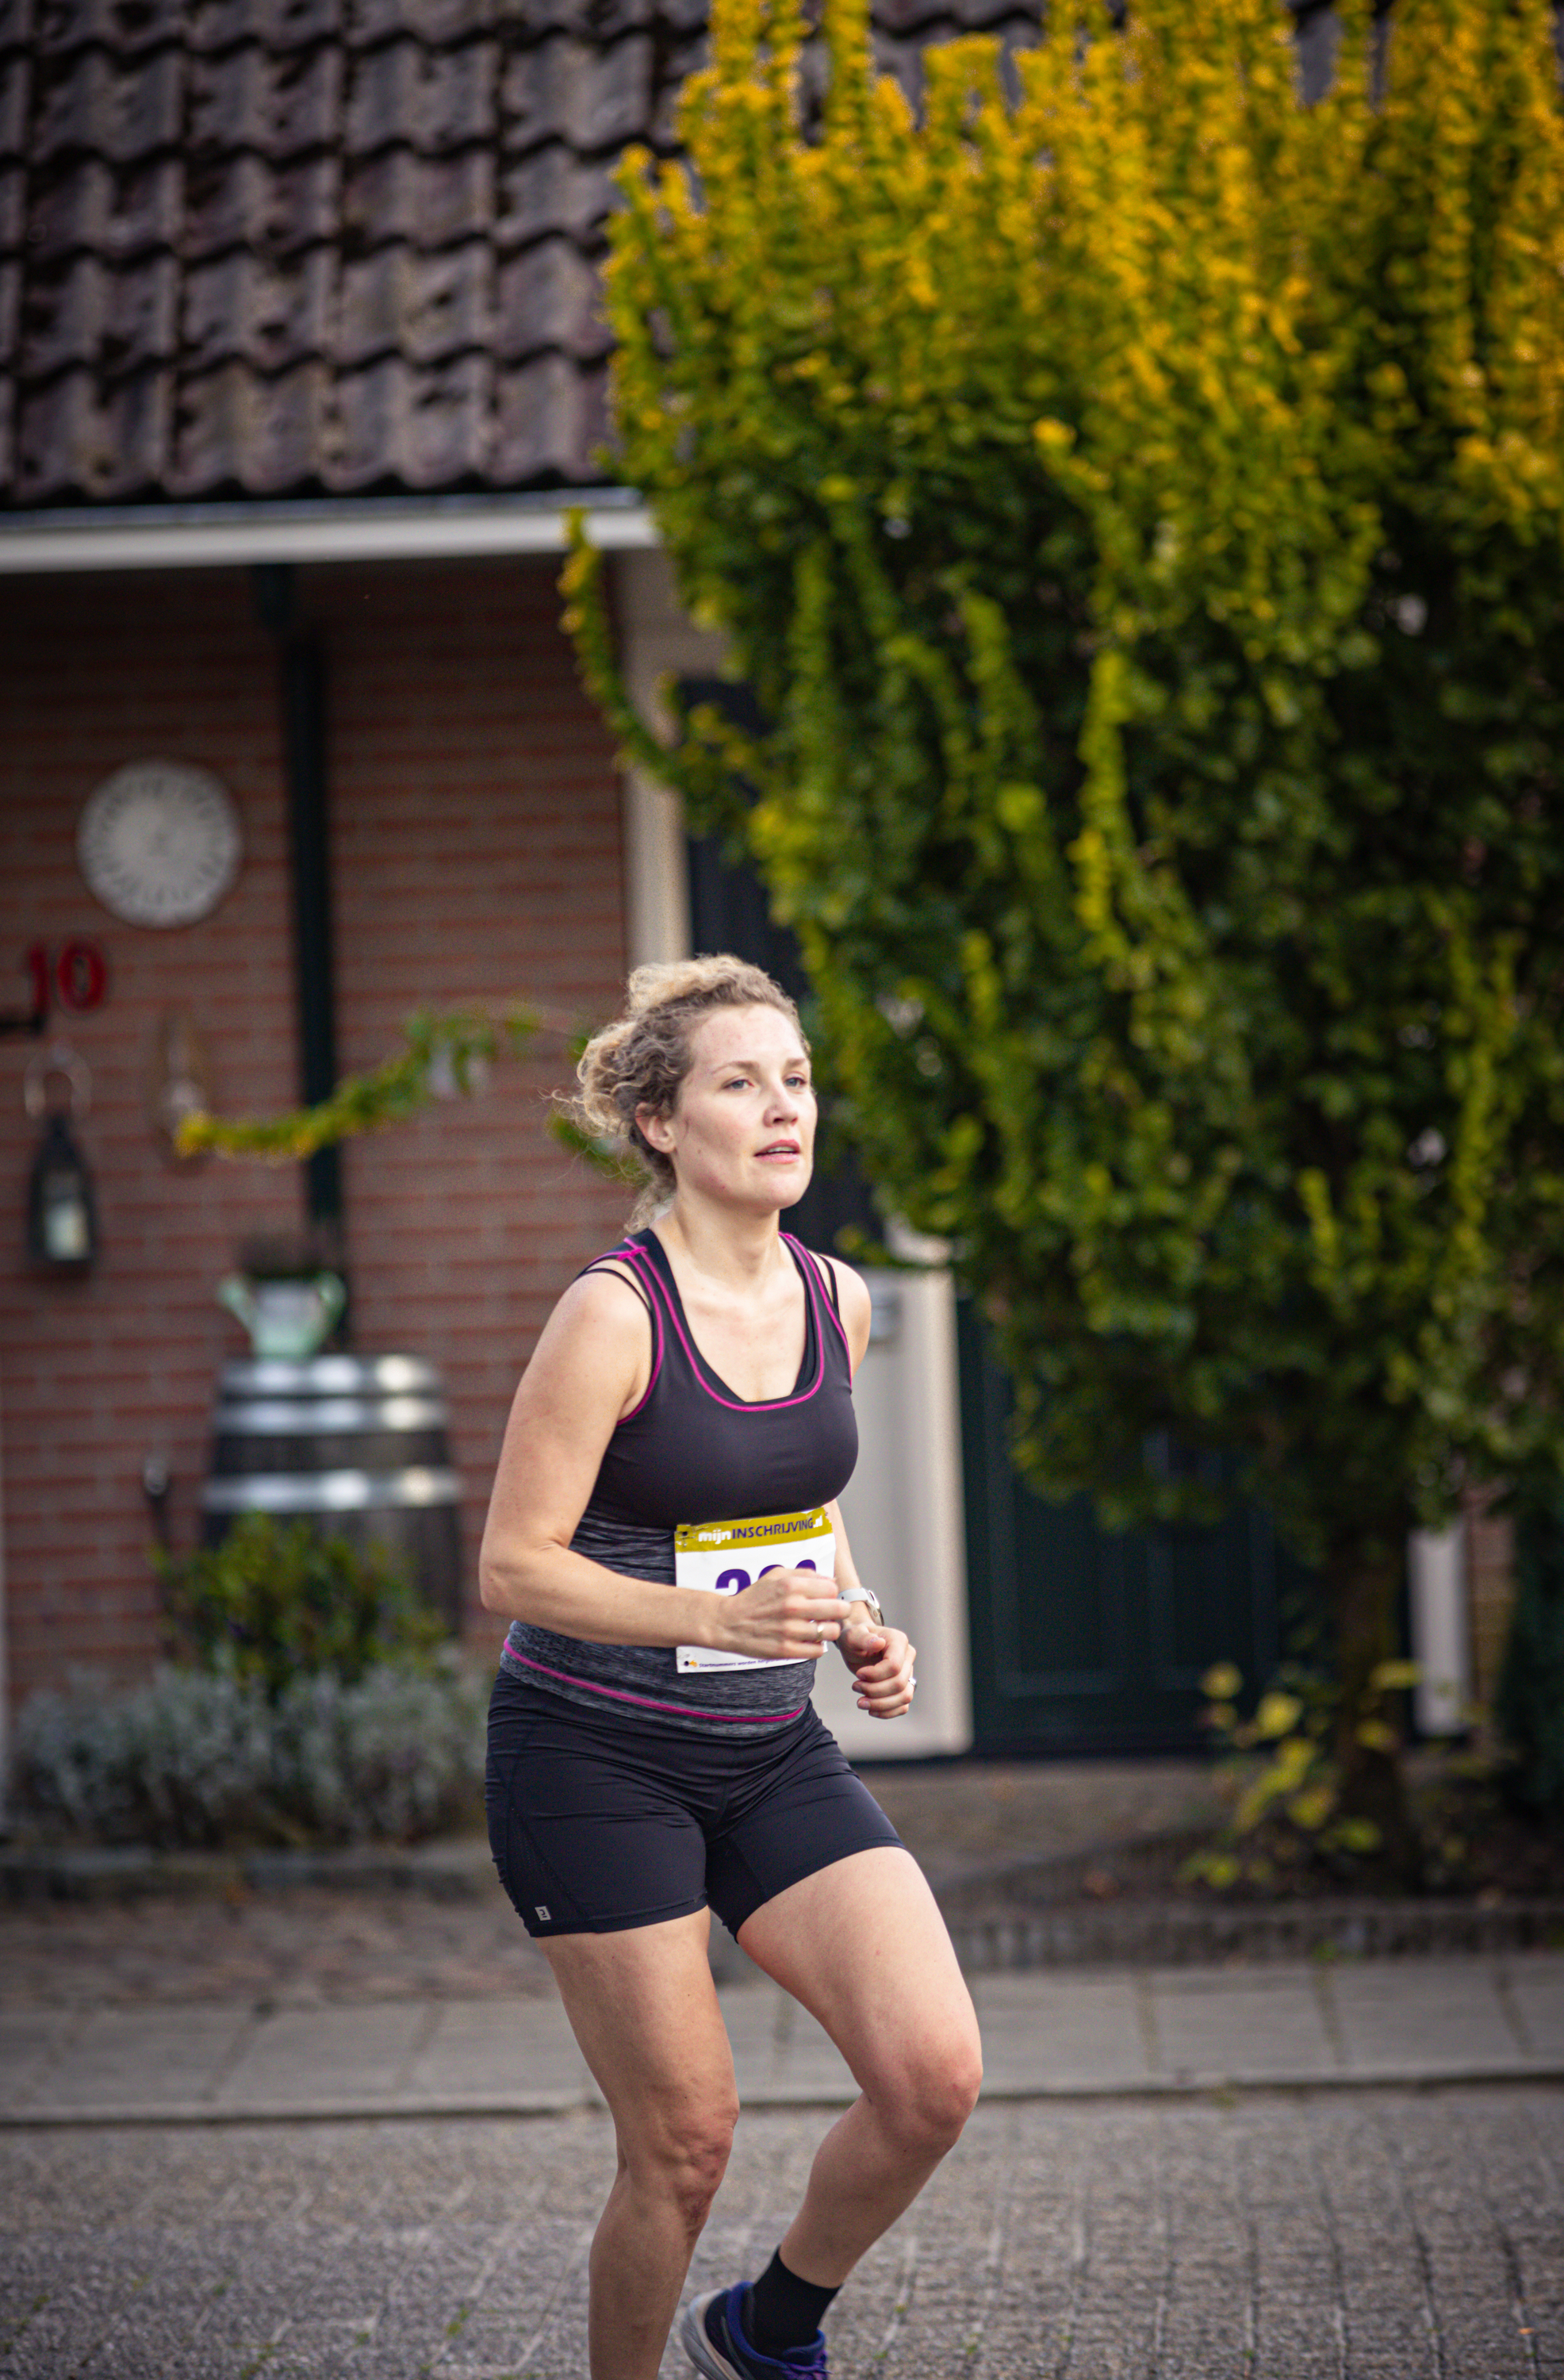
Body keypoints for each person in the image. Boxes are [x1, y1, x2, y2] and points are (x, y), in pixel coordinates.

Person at [480, 954, 982, 2380]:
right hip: (591, 1759)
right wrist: (714, 1624)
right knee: (686, 2145)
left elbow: (782, 1514)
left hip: (766, 1749)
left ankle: (767, 2330)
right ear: (659, 1123)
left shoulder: (840, 1298)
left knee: (933, 2077)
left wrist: (859, 1616)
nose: (785, 1109)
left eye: (801, 1079)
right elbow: (514, 1567)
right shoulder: (613, 1314)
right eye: (742, 1082)